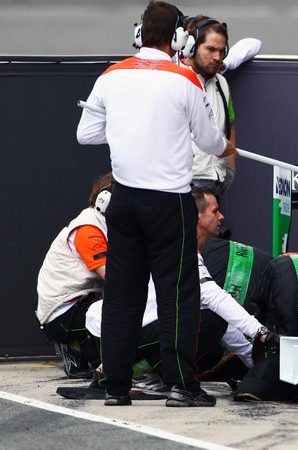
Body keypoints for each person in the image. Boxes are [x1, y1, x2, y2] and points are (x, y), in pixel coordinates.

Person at [76, 1, 237, 407]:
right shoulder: (185, 79)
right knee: (177, 295)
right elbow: (209, 141)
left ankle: (115, 388)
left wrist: (130, 130)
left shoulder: (111, 76)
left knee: (122, 296)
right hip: (170, 204)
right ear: (180, 38)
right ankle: (182, 386)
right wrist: (226, 145)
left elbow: (86, 135)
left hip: (125, 201)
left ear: (139, 33)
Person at [85, 187, 273, 389]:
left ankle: (138, 370)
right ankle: (134, 373)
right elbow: (212, 297)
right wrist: (261, 332)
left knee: (205, 316)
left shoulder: (177, 242)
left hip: (113, 331)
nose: (221, 216)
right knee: (209, 320)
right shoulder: (176, 246)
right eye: (214, 211)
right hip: (107, 335)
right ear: (197, 216)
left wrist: (257, 364)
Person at [36, 172, 113, 378]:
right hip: (63, 314)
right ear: (106, 201)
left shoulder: (101, 223)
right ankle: (71, 343)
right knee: (126, 309)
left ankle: (78, 350)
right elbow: (114, 278)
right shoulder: (89, 229)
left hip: (79, 304)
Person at [181, 16, 261, 195]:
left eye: (221, 51)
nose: (217, 57)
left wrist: (230, 164)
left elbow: (229, 125)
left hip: (215, 180)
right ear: (191, 47)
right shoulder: (176, 80)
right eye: (210, 49)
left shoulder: (221, 82)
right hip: (185, 183)